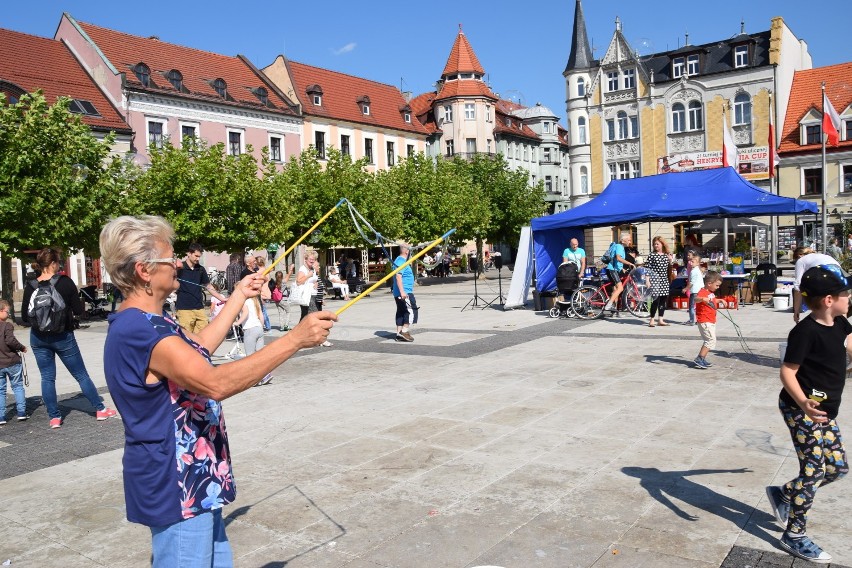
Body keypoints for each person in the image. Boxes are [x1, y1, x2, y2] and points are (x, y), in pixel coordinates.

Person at [98, 215, 335, 566]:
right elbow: (214, 383)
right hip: (174, 483)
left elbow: (200, 347)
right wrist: (294, 340)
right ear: (144, 271)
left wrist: (238, 295)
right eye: (169, 258)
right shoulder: (139, 330)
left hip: (196, 478)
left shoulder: (154, 321)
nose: (177, 263)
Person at [766, 265, 851, 563]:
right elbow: (787, 371)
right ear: (829, 299)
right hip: (800, 408)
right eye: (845, 293)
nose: (849, 298)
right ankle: (795, 534)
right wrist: (802, 403)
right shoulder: (804, 331)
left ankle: (785, 493)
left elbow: (849, 344)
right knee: (813, 472)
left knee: (837, 469)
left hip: (826, 411)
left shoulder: (840, 322)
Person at [21, 248, 117, 429]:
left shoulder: (31, 285)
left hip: (38, 338)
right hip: (63, 336)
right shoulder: (65, 282)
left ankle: (54, 417)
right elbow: (79, 311)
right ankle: (99, 409)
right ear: (53, 264)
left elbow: (26, 317)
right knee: (81, 375)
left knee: (47, 378)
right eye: (58, 262)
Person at [175, 243, 226, 334]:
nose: (198, 259)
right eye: (196, 256)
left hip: (199, 308)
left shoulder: (201, 269)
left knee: (203, 336)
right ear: (189, 253)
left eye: (199, 256)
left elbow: (209, 286)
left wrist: (222, 298)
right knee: (187, 338)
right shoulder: (180, 268)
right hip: (184, 309)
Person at [792, 247, 839, 324]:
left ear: (800, 255)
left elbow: (797, 287)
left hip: (824, 274)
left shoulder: (801, 260)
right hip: (840, 275)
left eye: (795, 260)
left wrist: (796, 311)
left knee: (808, 292)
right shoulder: (823, 256)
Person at [236, 294, 273, 386]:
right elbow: (261, 316)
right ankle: (265, 374)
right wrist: (261, 326)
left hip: (250, 329)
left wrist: (237, 322)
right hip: (259, 328)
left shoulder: (244, 301)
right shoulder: (255, 301)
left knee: (250, 356)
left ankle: (254, 379)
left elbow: (245, 312)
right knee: (259, 355)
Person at [0, 299, 28, 424]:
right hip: (12, 361)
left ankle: (1, 416)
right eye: (7, 311)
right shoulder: (7, 326)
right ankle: (21, 412)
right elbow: (11, 341)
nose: (9, 314)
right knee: (17, 386)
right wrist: (21, 347)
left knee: (1, 390)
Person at [692, 270, 722, 369]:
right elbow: (696, 299)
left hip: (710, 320)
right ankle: (700, 358)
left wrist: (720, 300)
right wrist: (702, 299)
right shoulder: (702, 292)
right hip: (705, 320)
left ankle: (702, 358)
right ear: (709, 284)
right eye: (717, 285)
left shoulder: (710, 292)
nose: (718, 287)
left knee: (710, 340)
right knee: (710, 340)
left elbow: (712, 301)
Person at [604, 233, 635, 315]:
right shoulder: (619, 247)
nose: (630, 241)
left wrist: (623, 269)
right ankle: (609, 305)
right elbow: (618, 258)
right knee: (620, 288)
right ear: (622, 240)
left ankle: (614, 310)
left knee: (616, 290)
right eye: (628, 240)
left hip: (615, 269)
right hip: (612, 269)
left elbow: (616, 261)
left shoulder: (620, 247)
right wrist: (629, 263)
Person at [392, 243, 418, 342]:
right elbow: (398, 277)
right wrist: (403, 292)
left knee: (401, 312)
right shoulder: (401, 261)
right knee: (411, 310)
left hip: (400, 292)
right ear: (407, 251)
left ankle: (399, 333)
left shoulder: (399, 260)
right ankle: (404, 331)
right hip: (404, 292)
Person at [646, 236, 672, 327]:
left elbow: (669, 269)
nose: (655, 245)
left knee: (663, 300)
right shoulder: (652, 255)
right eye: (654, 244)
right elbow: (648, 269)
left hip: (664, 280)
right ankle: (652, 319)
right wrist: (647, 280)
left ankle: (661, 319)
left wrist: (670, 260)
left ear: (662, 244)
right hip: (655, 280)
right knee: (655, 300)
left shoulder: (666, 255)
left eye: (657, 244)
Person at [296, 252, 319, 322]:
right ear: (305, 259)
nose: (312, 261)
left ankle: (301, 330)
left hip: (313, 295)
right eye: (310, 259)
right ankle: (302, 330)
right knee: (310, 315)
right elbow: (298, 282)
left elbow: (313, 280)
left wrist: (316, 283)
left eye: (314, 259)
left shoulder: (312, 269)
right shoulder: (303, 269)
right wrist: (308, 275)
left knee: (307, 316)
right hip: (306, 296)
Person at [685, 250, 704, 326]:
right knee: (699, 306)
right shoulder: (699, 270)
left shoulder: (693, 271)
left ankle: (692, 320)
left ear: (697, 263)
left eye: (692, 262)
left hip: (695, 291)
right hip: (700, 290)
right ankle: (700, 320)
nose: (690, 263)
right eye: (691, 262)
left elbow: (691, 283)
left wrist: (686, 288)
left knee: (691, 306)